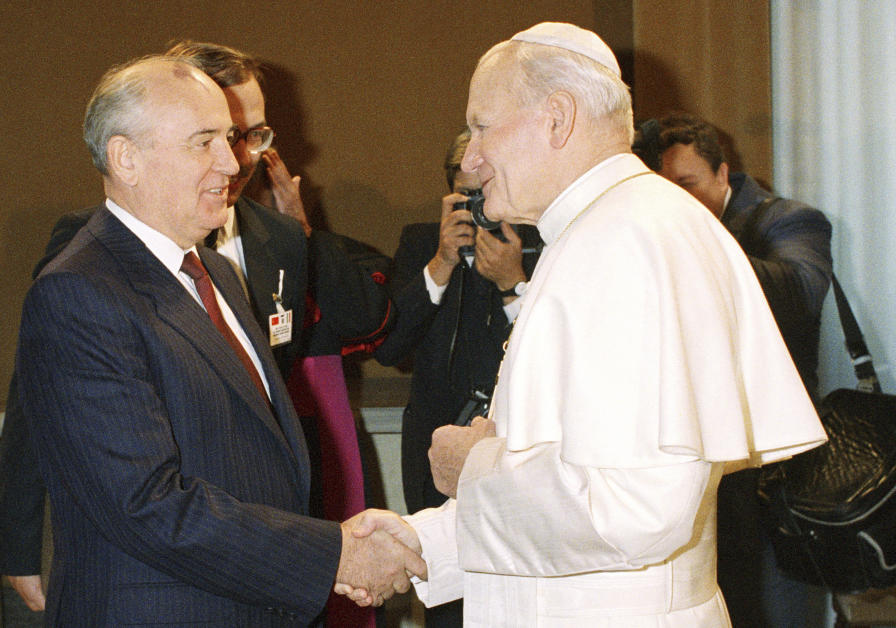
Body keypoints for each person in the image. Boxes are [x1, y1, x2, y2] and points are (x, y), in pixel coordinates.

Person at [337, 22, 826, 626]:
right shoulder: (607, 228)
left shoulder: (629, 238)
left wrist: (475, 469)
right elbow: (576, 483)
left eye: (483, 127)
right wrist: (426, 544)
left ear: (557, 118)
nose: (471, 157)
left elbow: (636, 509)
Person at [10, 54, 423, 625]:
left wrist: (326, 538)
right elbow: (146, 506)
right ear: (126, 158)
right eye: (203, 142)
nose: (232, 162)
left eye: (229, 139)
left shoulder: (216, 274)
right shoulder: (80, 293)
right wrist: (334, 554)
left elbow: (245, 459)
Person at [633, 113, 833, 627]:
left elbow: (801, 292)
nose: (678, 201)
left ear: (724, 175)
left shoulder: (790, 220)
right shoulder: (650, 237)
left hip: (773, 478)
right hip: (689, 473)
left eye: (688, 186)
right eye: (665, 191)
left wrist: (695, 238)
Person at [374, 128, 541, 627]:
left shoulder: (534, 241)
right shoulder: (422, 242)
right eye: (464, 195)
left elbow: (546, 348)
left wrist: (514, 283)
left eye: (482, 191)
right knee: (442, 587)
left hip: (504, 445)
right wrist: (441, 264)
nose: (477, 206)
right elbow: (390, 346)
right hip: (431, 440)